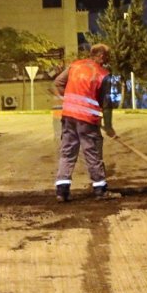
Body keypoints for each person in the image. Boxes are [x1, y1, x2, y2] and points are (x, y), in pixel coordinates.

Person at [53, 43, 117, 202]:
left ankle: (61, 192)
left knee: (67, 152)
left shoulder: (75, 66)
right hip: (87, 119)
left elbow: (58, 82)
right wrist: (109, 126)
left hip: (68, 115)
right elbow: (106, 104)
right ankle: (100, 190)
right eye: (107, 56)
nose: (108, 59)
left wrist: (69, 99)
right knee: (92, 152)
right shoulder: (103, 74)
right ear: (101, 55)